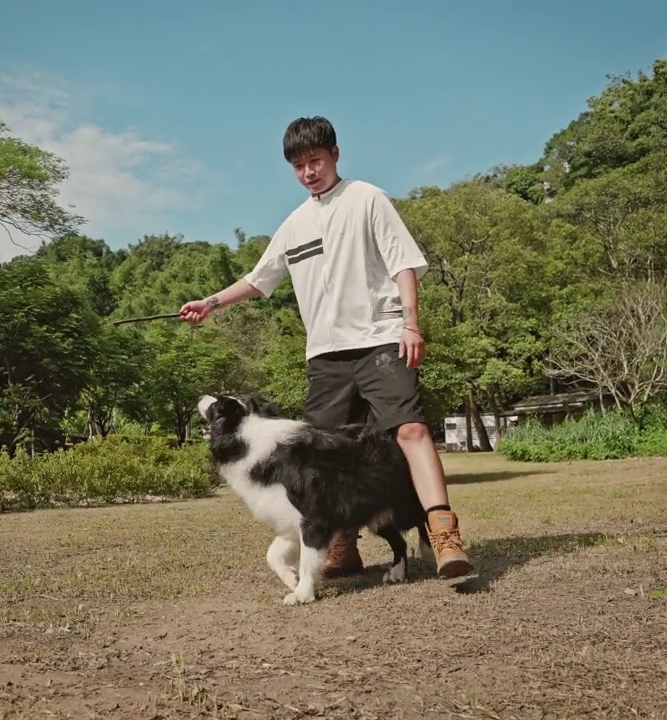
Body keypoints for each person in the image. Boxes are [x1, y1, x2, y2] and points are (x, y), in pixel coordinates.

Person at [178, 116, 474, 580]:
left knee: (410, 431)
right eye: (298, 165)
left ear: (335, 154)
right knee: (323, 450)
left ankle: (444, 535)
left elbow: (403, 265)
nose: (308, 172)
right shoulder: (294, 224)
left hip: (380, 339)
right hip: (325, 355)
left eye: (314, 160)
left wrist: (411, 323)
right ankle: (343, 546)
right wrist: (211, 303)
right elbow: (260, 280)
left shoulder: (368, 199)